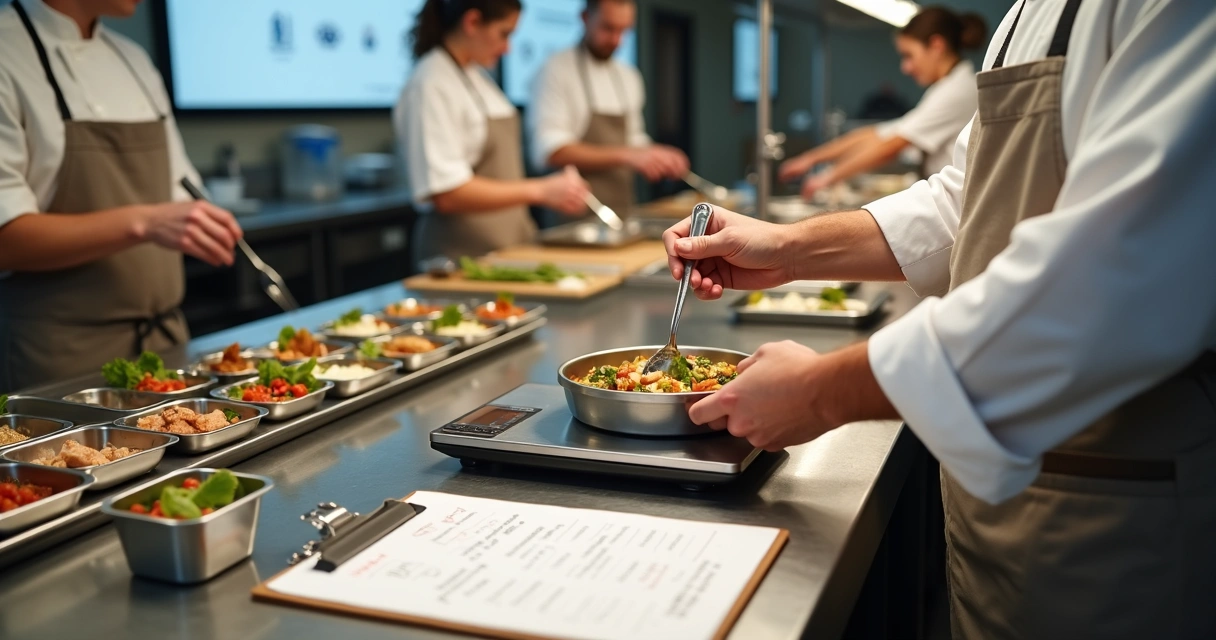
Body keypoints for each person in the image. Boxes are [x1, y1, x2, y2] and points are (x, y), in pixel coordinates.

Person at [665, 0, 1216, 636]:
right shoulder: (1026, 13)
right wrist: (789, 248)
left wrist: (819, 392)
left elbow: (1108, 283)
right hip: (1010, 509)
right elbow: (966, 198)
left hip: (1122, 508)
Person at [0, 0, 243, 393]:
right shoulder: (7, 52)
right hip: (60, 362)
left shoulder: (133, 60)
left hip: (165, 350)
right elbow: (5, 239)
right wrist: (144, 222)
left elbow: (180, 193)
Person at [396, 0, 589, 264]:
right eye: (504, 34)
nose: (508, 48)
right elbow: (446, 193)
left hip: (503, 251)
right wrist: (540, 191)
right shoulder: (430, 82)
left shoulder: (475, 76)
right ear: (472, 22)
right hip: (460, 260)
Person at [779, 6, 985, 200]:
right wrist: (810, 159)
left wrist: (826, 178)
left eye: (909, 56)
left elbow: (891, 146)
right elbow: (878, 134)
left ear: (936, 46)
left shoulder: (957, 91)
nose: (905, 68)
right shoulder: (947, 87)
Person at [528, 0, 688, 217]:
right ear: (585, 18)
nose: (616, 40)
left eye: (624, 31)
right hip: (572, 220)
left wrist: (655, 154)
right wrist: (627, 156)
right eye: (608, 28)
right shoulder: (555, 71)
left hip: (623, 210)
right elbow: (550, 151)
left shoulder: (628, 76)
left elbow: (633, 138)